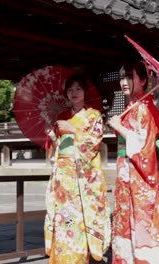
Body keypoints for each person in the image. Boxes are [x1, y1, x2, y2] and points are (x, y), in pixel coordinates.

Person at [44, 73, 111, 263]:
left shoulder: (94, 115)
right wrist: (53, 137)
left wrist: (73, 129)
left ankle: (79, 255)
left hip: (82, 175)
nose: (73, 93)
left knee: (80, 216)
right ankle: (63, 254)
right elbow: (60, 147)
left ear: (85, 92)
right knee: (63, 215)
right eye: (70, 90)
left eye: (78, 89)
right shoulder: (62, 116)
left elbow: (94, 143)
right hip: (63, 174)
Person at [108, 61, 159, 263]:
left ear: (143, 80)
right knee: (125, 216)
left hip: (139, 174)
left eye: (130, 77)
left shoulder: (144, 107)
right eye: (123, 77)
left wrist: (120, 128)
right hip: (126, 169)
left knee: (139, 219)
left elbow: (144, 143)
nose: (124, 82)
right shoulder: (133, 105)